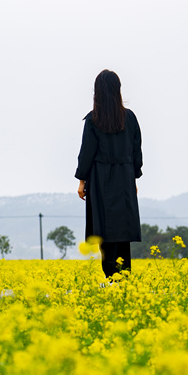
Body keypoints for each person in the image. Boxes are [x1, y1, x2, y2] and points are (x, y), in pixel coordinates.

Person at [75, 69, 142, 278]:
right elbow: (136, 151)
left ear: (97, 92)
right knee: (123, 230)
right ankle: (125, 278)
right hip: (124, 179)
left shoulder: (93, 120)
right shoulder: (129, 118)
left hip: (100, 181)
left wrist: (81, 181)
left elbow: (86, 153)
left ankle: (110, 277)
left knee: (105, 230)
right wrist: (134, 177)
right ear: (118, 90)